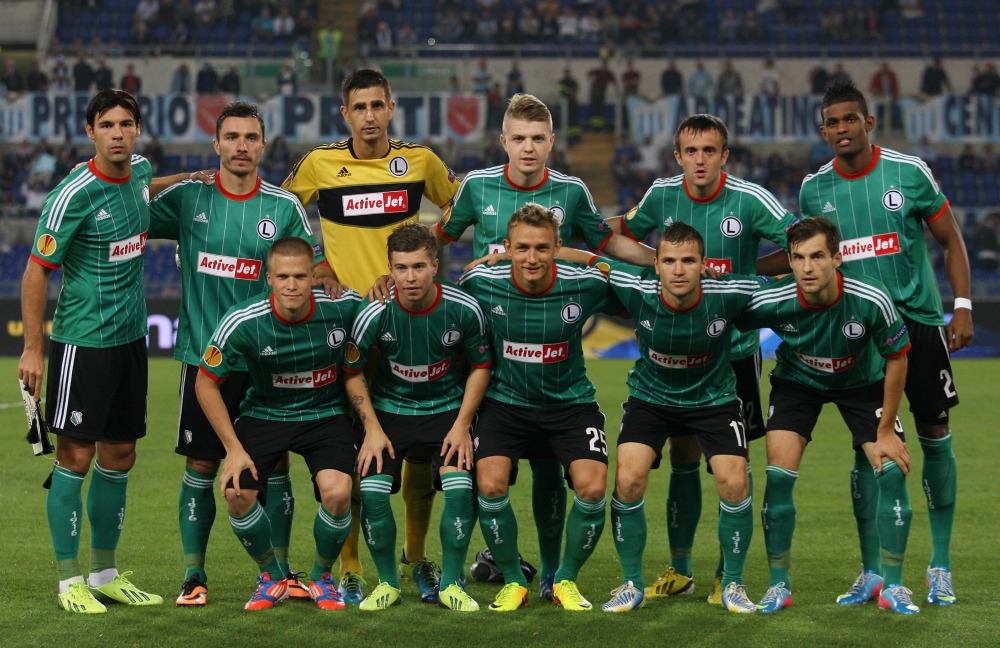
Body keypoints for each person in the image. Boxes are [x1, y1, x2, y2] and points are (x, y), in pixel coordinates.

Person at [433, 92, 653, 599]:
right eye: (519, 139)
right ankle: (472, 559)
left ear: (551, 143)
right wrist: (389, 259)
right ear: (503, 141)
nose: (528, 148)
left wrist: (658, 260)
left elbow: (606, 244)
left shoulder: (571, 191)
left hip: (552, 344)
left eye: (537, 139)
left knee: (551, 471)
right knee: (476, 472)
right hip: (491, 357)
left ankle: (554, 572)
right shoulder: (477, 187)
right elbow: (438, 238)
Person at [148, 101, 336, 607]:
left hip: (267, 361)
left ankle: (279, 571)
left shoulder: (283, 207)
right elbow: (124, 197)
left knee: (273, 469)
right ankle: (194, 575)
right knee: (203, 466)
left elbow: (313, 273)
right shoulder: (190, 197)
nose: (241, 146)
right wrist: (179, 176)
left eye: (250, 137)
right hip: (203, 358)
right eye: (231, 137)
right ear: (216, 145)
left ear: (264, 144)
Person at [283, 67, 460, 604]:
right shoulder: (319, 164)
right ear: (345, 114)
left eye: (376, 106)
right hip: (344, 325)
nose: (368, 116)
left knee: (421, 450)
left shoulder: (420, 161)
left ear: (390, 108)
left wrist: (423, 250)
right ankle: (352, 564)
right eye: (358, 107)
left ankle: (416, 553)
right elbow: (281, 211)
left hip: (408, 321)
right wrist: (318, 263)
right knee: (356, 449)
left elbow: (459, 204)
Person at [610, 113, 797, 605]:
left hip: (732, 352)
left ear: (724, 156)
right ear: (678, 156)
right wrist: (650, 262)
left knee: (732, 466)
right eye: (691, 151)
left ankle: (724, 574)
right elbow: (622, 233)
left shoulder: (752, 200)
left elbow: (797, 245)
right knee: (682, 459)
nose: (700, 159)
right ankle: (681, 568)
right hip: (673, 344)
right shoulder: (661, 195)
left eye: (709, 151)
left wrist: (753, 269)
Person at [801, 81, 972, 607]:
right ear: (823, 130)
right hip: (860, 335)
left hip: (918, 325)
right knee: (867, 450)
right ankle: (871, 570)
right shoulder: (814, 190)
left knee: (934, 433)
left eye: (851, 119)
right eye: (833, 122)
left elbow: (950, 239)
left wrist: (962, 305)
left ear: (868, 123)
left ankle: (939, 565)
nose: (842, 129)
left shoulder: (908, 172)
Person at [18, 89, 172, 614]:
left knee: (120, 454)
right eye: (107, 124)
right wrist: (34, 348)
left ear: (136, 129)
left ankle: (105, 573)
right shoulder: (72, 194)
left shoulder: (141, 170)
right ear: (91, 132)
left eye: (126, 123)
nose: (118, 133)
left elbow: (150, 186)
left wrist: (195, 181)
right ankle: (69, 582)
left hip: (130, 341)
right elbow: (37, 269)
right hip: (83, 344)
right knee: (75, 456)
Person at [736, 217, 917, 614]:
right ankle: (778, 585)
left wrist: (885, 429)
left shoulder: (871, 298)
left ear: (837, 258)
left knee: (890, 469)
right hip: (797, 383)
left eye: (817, 256)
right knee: (778, 478)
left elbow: (898, 359)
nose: (807, 267)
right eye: (798, 258)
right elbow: (722, 318)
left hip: (862, 383)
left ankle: (892, 585)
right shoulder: (772, 298)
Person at [591, 222, 763, 614]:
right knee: (628, 478)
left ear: (705, 264)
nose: (679, 269)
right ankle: (632, 583)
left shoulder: (729, 290)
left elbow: (787, 291)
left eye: (689, 260)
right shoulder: (636, 285)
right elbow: (585, 258)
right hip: (651, 398)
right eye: (670, 260)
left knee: (733, 481)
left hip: (714, 398)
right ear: (656, 264)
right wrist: (505, 256)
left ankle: (733, 583)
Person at [458, 203, 618, 612]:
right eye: (523, 248)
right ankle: (513, 581)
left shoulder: (585, 284)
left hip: (569, 403)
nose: (532, 258)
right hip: (505, 403)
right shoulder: (480, 279)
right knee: (490, 484)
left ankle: (563, 578)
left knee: (593, 487)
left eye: (543, 248)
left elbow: (640, 285)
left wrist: (593, 257)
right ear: (507, 247)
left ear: (558, 248)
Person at [195, 237, 362, 611]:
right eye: (283, 276)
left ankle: (321, 577)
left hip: (325, 413)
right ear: (268, 277)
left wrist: (383, 283)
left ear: (313, 275)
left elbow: (386, 315)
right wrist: (233, 450)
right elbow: (205, 382)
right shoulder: (243, 319)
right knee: (237, 492)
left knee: (337, 494)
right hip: (265, 413)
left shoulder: (344, 306)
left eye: (300, 276)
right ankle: (272, 576)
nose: (291, 285)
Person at [344, 224, 491, 611]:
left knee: (459, 488)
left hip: (446, 410)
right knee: (373, 492)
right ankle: (388, 583)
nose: (410, 278)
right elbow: (352, 371)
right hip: (390, 412)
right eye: (401, 268)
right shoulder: (372, 311)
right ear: (389, 269)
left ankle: (451, 584)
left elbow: (480, 365)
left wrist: (462, 425)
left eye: (419, 267)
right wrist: (371, 429)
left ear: (435, 265)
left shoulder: (463, 307)